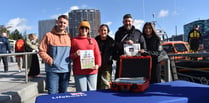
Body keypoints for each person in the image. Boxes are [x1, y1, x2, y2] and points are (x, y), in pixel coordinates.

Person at [39, 15, 71, 94]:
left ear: (67, 25)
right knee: (52, 94)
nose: (62, 24)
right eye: (60, 22)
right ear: (57, 22)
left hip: (65, 70)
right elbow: (41, 51)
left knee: (63, 94)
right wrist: (50, 60)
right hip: (52, 70)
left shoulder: (68, 37)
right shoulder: (48, 35)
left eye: (64, 23)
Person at [70, 20, 101, 92]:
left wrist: (98, 65)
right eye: (82, 28)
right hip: (79, 71)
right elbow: (70, 56)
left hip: (92, 70)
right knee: (81, 93)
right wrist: (75, 54)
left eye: (86, 28)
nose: (84, 30)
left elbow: (97, 54)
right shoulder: (74, 40)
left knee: (92, 92)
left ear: (88, 30)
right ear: (79, 29)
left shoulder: (93, 40)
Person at [113, 14, 146, 79]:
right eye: (125, 21)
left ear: (132, 22)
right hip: (122, 62)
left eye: (129, 21)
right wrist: (124, 43)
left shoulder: (138, 33)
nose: (127, 23)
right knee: (121, 82)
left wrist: (142, 51)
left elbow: (144, 47)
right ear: (123, 22)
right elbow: (115, 46)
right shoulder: (118, 33)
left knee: (135, 82)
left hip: (136, 63)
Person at [95, 24, 114, 90]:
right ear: (99, 31)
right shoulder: (95, 40)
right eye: (101, 30)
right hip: (97, 65)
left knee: (106, 84)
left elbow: (114, 53)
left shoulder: (111, 41)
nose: (103, 32)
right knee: (97, 84)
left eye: (105, 30)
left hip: (107, 66)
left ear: (108, 31)